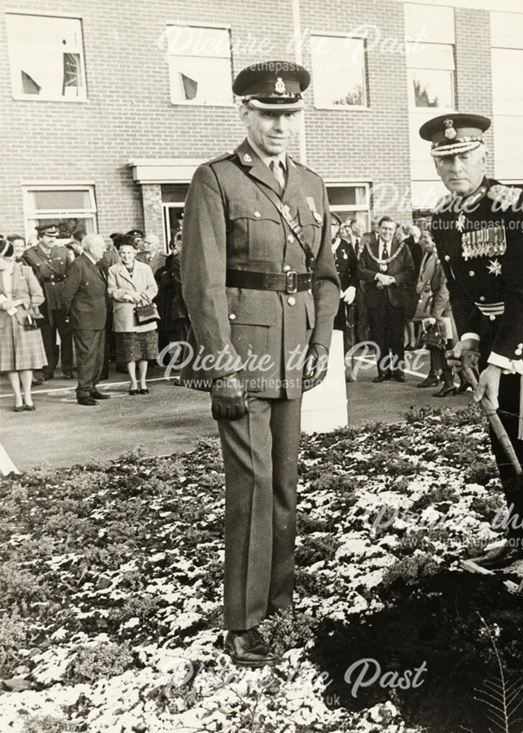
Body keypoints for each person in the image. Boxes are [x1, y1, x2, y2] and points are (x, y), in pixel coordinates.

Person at [181, 60, 339, 666]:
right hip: (243, 362)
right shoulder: (215, 179)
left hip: (294, 357)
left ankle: (279, 605)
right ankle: (244, 623)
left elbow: (325, 279)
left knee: (284, 486)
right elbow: (204, 285)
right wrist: (221, 369)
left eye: (288, 115)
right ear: (244, 112)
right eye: (267, 113)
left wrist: (321, 343)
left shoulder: (311, 184)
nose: (278, 125)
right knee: (250, 487)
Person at [422, 112, 523, 597]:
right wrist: (469, 341)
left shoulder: (516, 205)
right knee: (504, 440)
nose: (454, 168)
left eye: (463, 157)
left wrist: (499, 360)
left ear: (482, 154)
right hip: (495, 334)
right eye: (444, 161)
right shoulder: (445, 216)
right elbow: (461, 290)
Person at [358, 216, 413, 382]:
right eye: (384, 228)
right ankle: (383, 371)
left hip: (395, 299)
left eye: (390, 229)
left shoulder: (402, 248)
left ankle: (398, 371)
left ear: (394, 231)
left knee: (397, 336)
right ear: (378, 229)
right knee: (378, 335)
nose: (387, 232)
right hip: (376, 299)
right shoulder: (369, 248)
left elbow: (410, 271)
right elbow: (360, 270)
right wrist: (377, 277)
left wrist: (393, 279)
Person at [21, 223, 75, 380]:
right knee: (47, 334)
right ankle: (48, 369)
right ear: (40, 237)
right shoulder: (29, 254)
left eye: (55, 236)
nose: (53, 239)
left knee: (66, 333)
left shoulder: (63, 251)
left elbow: (71, 273)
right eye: (49, 236)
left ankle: (67, 368)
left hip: (61, 295)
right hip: (43, 297)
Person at [63, 234, 111, 406]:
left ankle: (91, 386)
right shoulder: (79, 265)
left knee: (97, 355)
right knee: (87, 356)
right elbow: (67, 294)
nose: (104, 250)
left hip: (98, 317)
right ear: (90, 248)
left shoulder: (95, 265)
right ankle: (83, 391)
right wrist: (72, 316)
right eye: (101, 247)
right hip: (84, 319)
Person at [107, 236, 159, 395]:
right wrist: (125, 295)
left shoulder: (145, 268)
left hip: (144, 311)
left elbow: (153, 288)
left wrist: (140, 296)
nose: (126, 256)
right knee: (130, 352)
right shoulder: (113, 270)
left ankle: (143, 381)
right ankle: (133, 382)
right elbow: (111, 290)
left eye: (129, 252)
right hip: (125, 314)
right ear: (118, 253)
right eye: (123, 253)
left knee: (144, 351)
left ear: (135, 252)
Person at [0, 236, 47, 411]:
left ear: (9, 257)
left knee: (25, 362)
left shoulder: (25, 271)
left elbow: (39, 296)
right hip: (3, 323)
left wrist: (19, 302)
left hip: (23, 321)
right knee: (9, 363)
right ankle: (17, 398)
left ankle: (28, 395)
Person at [411, 229, 454, 391]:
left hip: (443, 309)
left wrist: (435, 316)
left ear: (435, 241)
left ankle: (451, 381)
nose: (423, 241)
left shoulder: (442, 259)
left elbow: (444, 290)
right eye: (422, 237)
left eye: (426, 238)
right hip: (434, 305)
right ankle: (435, 374)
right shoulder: (428, 256)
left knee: (444, 345)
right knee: (434, 344)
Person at [332, 221, 359, 381]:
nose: (331, 228)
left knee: (346, 333)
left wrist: (353, 287)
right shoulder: (318, 244)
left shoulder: (346, 246)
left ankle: (346, 367)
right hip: (326, 296)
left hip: (344, 298)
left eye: (335, 225)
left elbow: (355, 271)